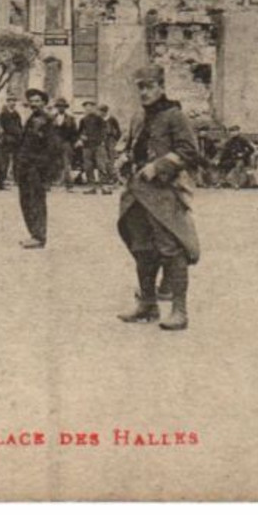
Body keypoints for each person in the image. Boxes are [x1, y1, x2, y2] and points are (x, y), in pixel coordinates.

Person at [116, 66, 203, 331]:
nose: (144, 92)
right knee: (142, 248)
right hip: (137, 194)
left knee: (170, 249)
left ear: (161, 87)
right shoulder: (138, 118)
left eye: (149, 86)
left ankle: (179, 310)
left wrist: (159, 166)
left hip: (165, 193)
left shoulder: (175, 116)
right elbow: (131, 145)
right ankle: (148, 305)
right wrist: (124, 157)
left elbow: (189, 151)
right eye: (140, 87)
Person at [13, 89, 55, 248]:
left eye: (38, 101)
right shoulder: (32, 118)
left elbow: (51, 148)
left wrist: (43, 170)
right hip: (25, 166)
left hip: (36, 168)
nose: (34, 104)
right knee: (26, 201)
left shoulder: (47, 120)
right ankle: (33, 234)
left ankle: (39, 236)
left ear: (44, 103)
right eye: (32, 101)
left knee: (36, 201)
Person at [77, 102, 110, 193]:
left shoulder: (99, 119)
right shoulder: (83, 120)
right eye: (86, 108)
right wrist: (81, 137)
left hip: (98, 145)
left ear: (94, 108)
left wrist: (102, 140)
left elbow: (104, 131)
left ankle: (104, 186)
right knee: (88, 166)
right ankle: (91, 187)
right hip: (87, 146)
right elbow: (79, 132)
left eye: (90, 107)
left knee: (101, 165)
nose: (88, 109)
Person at [0, 97, 23, 191]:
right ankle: (2, 179)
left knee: (17, 160)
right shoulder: (3, 114)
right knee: (4, 160)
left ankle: (17, 179)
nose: (12, 103)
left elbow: (19, 126)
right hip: (7, 140)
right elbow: (0, 127)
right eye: (10, 101)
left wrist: (20, 136)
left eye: (14, 101)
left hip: (16, 140)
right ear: (7, 102)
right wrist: (4, 136)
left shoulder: (16, 114)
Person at [51, 99, 77, 189]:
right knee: (54, 163)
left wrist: (72, 144)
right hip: (54, 144)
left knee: (67, 164)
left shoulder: (70, 119)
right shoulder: (51, 118)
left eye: (62, 106)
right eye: (59, 106)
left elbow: (74, 133)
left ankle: (69, 184)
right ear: (56, 108)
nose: (60, 108)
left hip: (66, 143)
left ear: (65, 108)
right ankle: (53, 182)